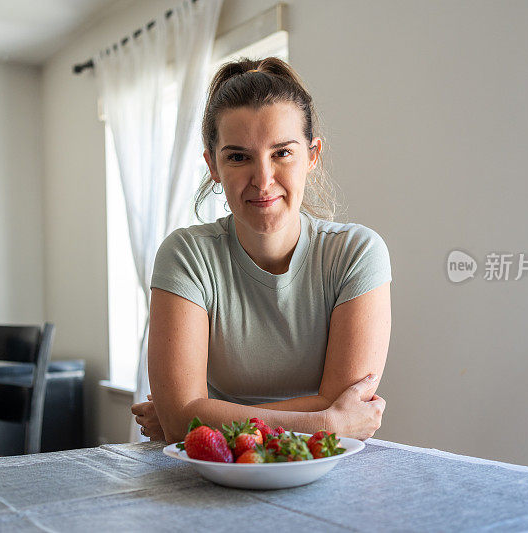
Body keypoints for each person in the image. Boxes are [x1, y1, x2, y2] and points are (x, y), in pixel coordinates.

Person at [131, 57, 391, 443]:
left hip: (326, 472)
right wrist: (326, 422)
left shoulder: (357, 253)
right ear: (213, 166)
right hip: (209, 474)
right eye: (238, 157)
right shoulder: (186, 255)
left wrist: (199, 417)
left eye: (282, 153)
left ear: (312, 155)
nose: (263, 180)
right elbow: (340, 419)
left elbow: (181, 419)